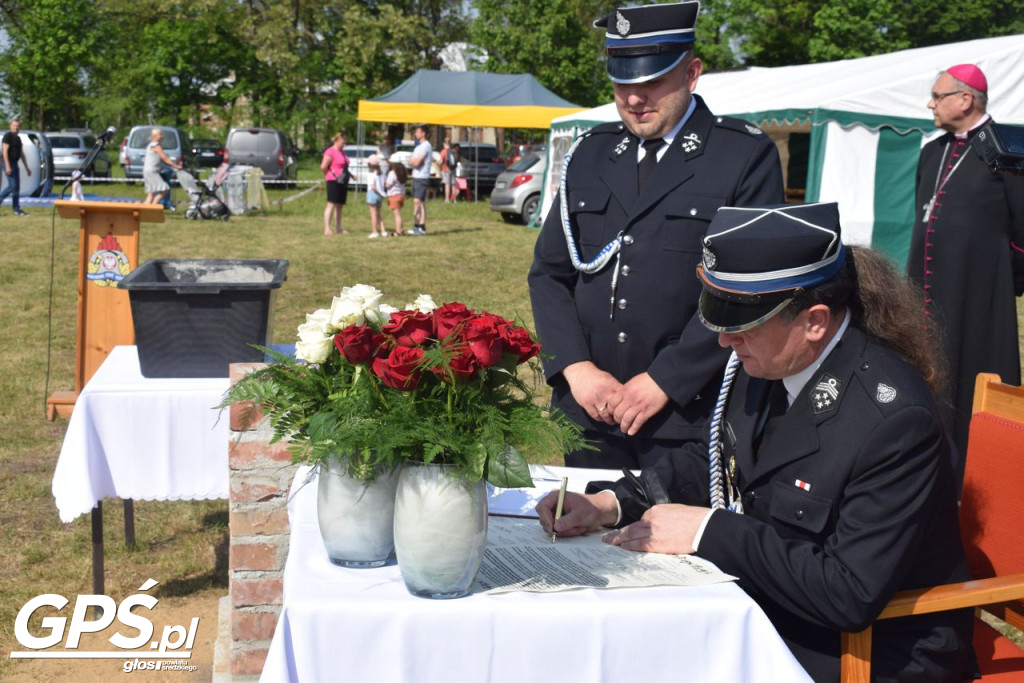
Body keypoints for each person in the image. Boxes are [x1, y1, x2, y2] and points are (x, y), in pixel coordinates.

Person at [539, 202, 976, 683]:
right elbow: (714, 458)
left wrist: (710, 533)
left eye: (742, 322)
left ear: (814, 321)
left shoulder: (892, 420)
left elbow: (849, 593)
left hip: (869, 651)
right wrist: (611, 504)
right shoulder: (773, 357)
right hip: (770, 607)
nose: (725, 341)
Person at [527, 1, 784, 469]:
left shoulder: (741, 155)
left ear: (691, 74)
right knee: (585, 534)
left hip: (687, 412)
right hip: (591, 409)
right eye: (623, 82)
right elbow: (549, 274)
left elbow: (749, 292)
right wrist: (576, 369)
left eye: (652, 81)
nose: (634, 98)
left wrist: (665, 380)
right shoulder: (592, 152)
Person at [906, 63, 1024, 485]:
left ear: (965, 99)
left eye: (937, 96)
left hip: (980, 293)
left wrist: (1001, 281)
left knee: (972, 374)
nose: (930, 103)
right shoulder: (932, 151)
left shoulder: (1010, 149)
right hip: (927, 288)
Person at [321, 132, 351, 236]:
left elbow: (344, 166)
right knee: (331, 204)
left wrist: (351, 175)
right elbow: (323, 166)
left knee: (340, 205)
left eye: (344, 142)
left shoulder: (342, 152)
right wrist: (330, 176)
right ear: (336, 141)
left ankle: (338, 227)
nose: (344, 144)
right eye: (342, 142)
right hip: (333, 180)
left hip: (343, 180)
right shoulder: (330, 152)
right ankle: (327, 228)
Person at [0, 118, 32, 216]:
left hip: (15, 163)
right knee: (12, 185)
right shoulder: (7, 136)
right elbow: (4, 151)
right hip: (7, 162)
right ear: (10, 126)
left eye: (18, 126)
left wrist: (27, 167)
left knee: (16, 187)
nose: (16, 127)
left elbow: (21, 154)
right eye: (14, 125)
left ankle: (16, 209)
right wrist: (7, 166)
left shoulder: (18, 139)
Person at [143, 128, 181, 206]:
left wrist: (169, 165)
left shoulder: (150, 145)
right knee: (165, 189)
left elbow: (163, 160)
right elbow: (165, 158)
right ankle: (153, 206)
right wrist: (176, 166)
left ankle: (144, 210)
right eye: (160, 134)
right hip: (152, 171)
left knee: (151, 193)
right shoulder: (156, 146)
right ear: (155, 136)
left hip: (147, 171)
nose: (162, 136)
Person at [407, 124, 432, 235]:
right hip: (416, 176)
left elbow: (417, 162)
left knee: (419, 202)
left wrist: (414, 162)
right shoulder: (417, 147)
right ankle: (416, 226)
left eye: (417, 132)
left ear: (423, 133)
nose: (415, 134)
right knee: (416, 202)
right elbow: (410, 161)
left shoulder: (426, 146)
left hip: (422, 177)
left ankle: (421, 227)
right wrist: (414, 162)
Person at [365, 154, 388, 239]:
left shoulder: (371, 173)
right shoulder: (382, 173)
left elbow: (372, 186)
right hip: (380, 196)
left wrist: (379, 192)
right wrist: (382, 193)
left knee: (373, 214)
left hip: (372, 193)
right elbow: (384, 184)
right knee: (378, 214)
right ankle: (383, 231)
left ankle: (374, 232)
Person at [384, 159, 407, 236]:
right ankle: (401, 229)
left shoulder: (392, 173)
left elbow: (388, 185)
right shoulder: (402, 172)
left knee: (397, 214)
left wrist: (383, 184)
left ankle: (398, 231)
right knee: (398, 213)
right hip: (401, 195)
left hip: (394, 195)